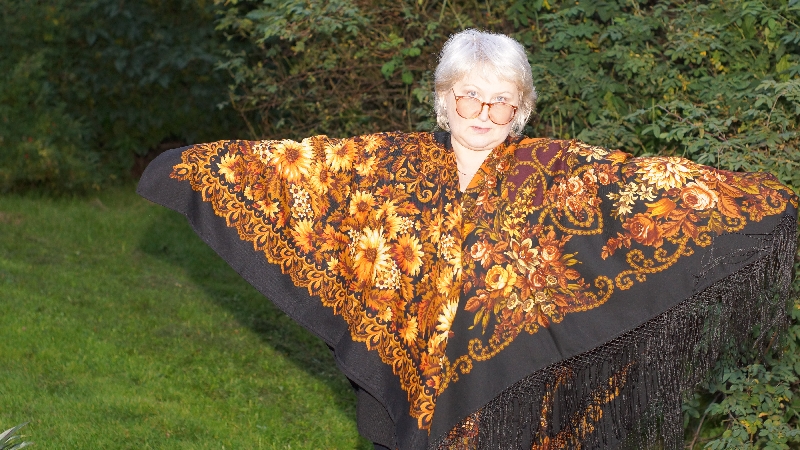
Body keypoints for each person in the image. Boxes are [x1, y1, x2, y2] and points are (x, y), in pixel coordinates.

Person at [138, 29, 798, 449]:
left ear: (521, 109)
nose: (485, 113)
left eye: (502, 101)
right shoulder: (391, 164)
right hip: (408, 371)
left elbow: (647, 185)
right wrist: (199, 169)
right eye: (471, 97)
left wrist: (767, 203)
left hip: (516, 396)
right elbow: (306, 168)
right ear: (445, 98)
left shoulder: (552, 169)